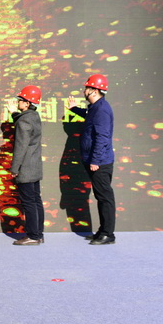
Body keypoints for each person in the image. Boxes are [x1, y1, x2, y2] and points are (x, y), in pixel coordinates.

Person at [68, 74, 116, 245]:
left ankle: (108, 234)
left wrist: (95, 160)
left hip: (100, 162)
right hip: (96, 160)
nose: (84, 91)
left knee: (105, 198)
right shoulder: (96, 107)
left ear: (94, 91)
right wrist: (74, 109)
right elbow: (88, 115)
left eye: (87, 88)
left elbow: (102, 137)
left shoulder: (101, 109)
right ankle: (103, 231)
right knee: (101, 197)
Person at [6, 85, 44, 246]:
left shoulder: (24, 120)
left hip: (26, 168)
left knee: (28, 203)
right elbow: (24, 123)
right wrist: (14, 113)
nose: (18, 102)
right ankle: (38, 234)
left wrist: (14, 168)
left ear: (27, 103)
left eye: (20, 100)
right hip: (34, 167)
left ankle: (33, 236)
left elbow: (20, 147)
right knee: (36, 200)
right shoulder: (34, 116)